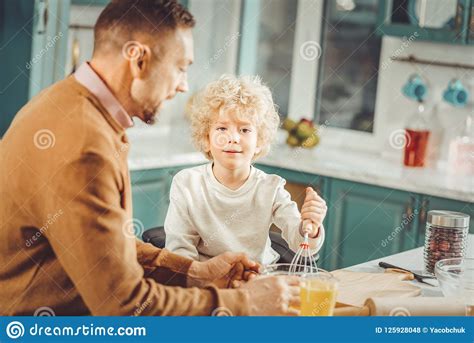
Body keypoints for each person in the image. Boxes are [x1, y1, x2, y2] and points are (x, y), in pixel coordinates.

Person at [0, 0, 300, 316]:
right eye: (181, 67)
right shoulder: (85, 146)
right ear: (139, 58)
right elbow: (125, 306)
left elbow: (105, 248)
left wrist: (193, 271)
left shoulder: (67, 104)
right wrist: (245, 303)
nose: (183, 86)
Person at [164, 75, 327, 264]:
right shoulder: (187, 183)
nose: (233, 138)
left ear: (260, 142)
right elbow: (179, 254)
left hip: (258, 279)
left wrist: (310, 228)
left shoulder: (271, 188)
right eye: (222, 128)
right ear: (206, 139)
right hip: (205, 282)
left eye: (244, 130)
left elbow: (302, 247)